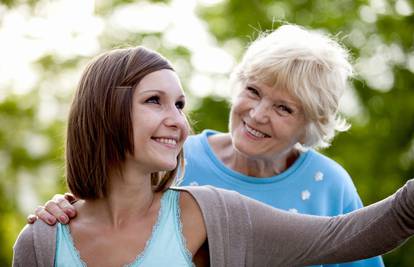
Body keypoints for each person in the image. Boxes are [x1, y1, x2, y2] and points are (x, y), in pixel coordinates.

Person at [12, 45, 414, 267]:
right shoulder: (41, 242)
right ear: (104, 112)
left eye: (180, 106)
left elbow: (346, 236)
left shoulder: (210, 211)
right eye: (155, 101)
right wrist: (60, 211)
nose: (178, 123)